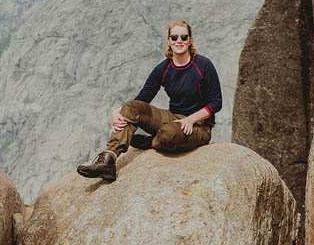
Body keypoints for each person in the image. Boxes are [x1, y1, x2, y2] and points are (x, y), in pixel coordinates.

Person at [76, 20, 222, 182]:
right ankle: (109, 159)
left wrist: (191, 119)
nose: (178, 41)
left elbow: (216, 102)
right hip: (174, 117)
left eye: (183, 37)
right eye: (174, 37)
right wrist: (119, 111)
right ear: (168, 41)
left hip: (200, 125)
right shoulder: (163, 68)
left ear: (189, 40)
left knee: (169, 134)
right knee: (132, 107)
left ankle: (152, 141)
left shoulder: (203, 65)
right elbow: (143, 97)